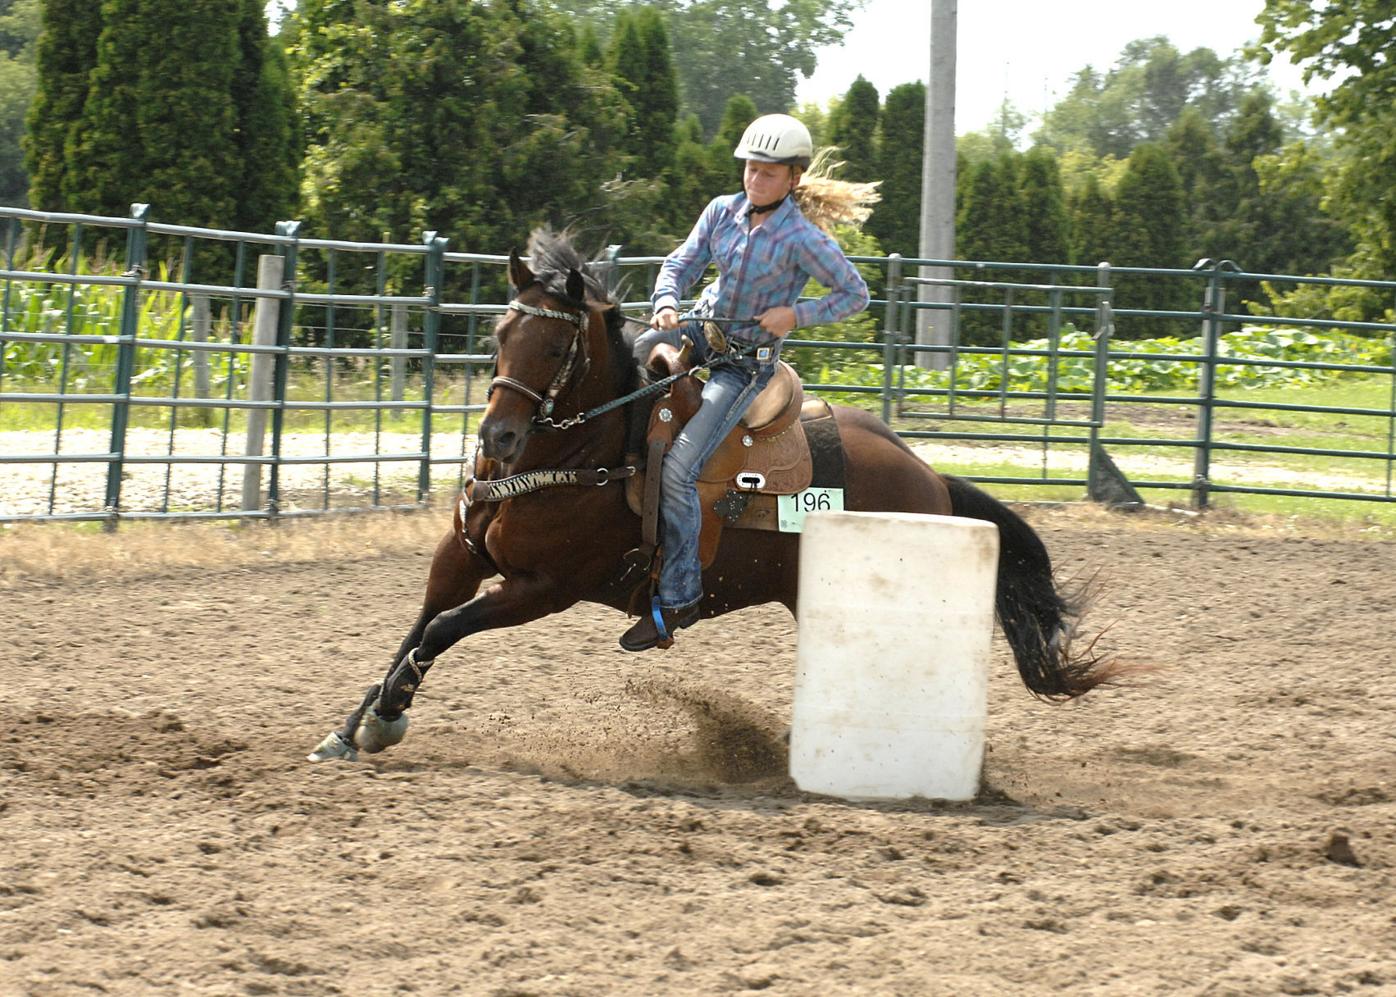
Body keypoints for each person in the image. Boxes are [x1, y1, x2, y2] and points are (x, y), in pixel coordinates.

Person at [621, 112, 875, 652]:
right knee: (619, 365)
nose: (754, 179)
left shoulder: (803, 239)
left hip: (743, 365)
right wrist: (667, 303)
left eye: (768, 172)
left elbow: (855, 294)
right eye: (750, 168)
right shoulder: (721, 213)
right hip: (696, 330)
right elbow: (679, 265)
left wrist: (795, 316)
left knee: (682, 468)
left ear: (794, 178)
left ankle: (680, 596)